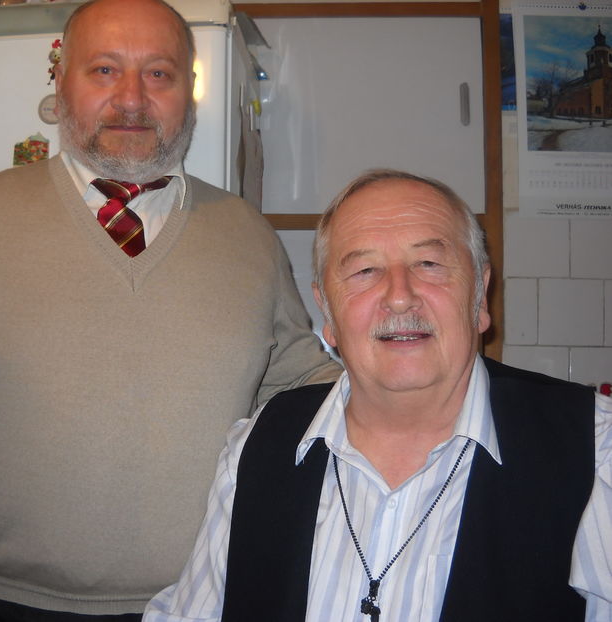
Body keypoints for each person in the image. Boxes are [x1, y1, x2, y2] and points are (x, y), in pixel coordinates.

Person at [0, 0, 342, 620]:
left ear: (188, 92)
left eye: (158, 73)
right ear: (60, 84)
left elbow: (301, 384)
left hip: (202, 601)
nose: (131, 99)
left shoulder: (248, 236)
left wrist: (406, 375)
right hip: (0, 606)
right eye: (104, 70)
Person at [144, 169, 612, 622]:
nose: (400, 296)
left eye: (429, 264)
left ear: (479, 296)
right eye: (365, 270)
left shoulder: (595, 450)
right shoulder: (255, 447)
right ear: (327, 312)